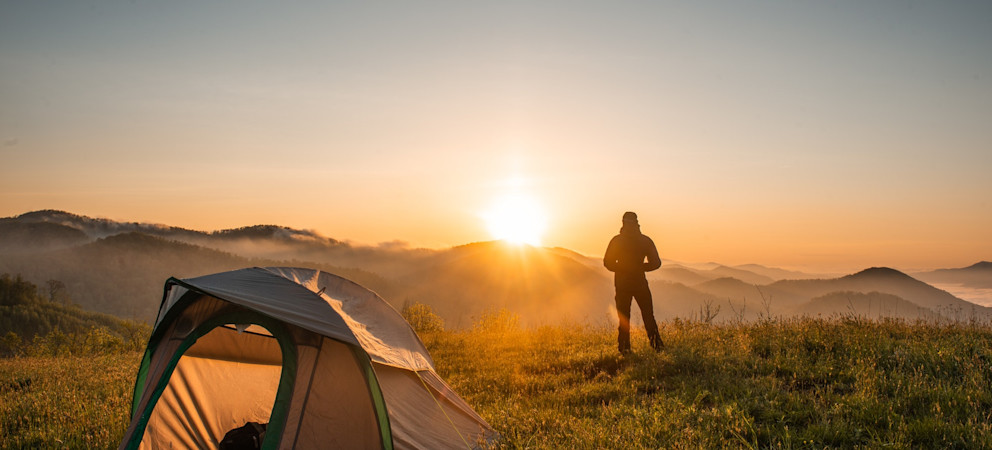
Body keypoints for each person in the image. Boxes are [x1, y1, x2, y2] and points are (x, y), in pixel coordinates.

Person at [603, 211, 663, 353]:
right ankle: (657, 347)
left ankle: (624, 349)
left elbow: (608, 263)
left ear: (623, 222)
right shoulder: (645, 240)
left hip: (622, 284)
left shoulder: (617, 240)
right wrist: (640, 267)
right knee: (648, 316)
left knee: (624, 318)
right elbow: (656, 263)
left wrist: (623, 268)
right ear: (637, 222)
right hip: (640, 283)